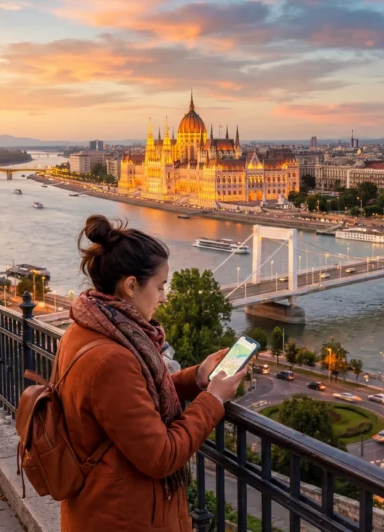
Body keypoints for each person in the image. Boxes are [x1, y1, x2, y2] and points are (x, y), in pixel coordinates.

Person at [54, 215, 245, 532]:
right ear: (130, 286)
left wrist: (195, 379)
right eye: (160, 287)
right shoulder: (110, 356)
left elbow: (129, 402)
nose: (164, 297)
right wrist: (213, 400)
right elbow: (161, 455)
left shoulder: (86, 327)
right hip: (123, 516)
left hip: (104, 505)